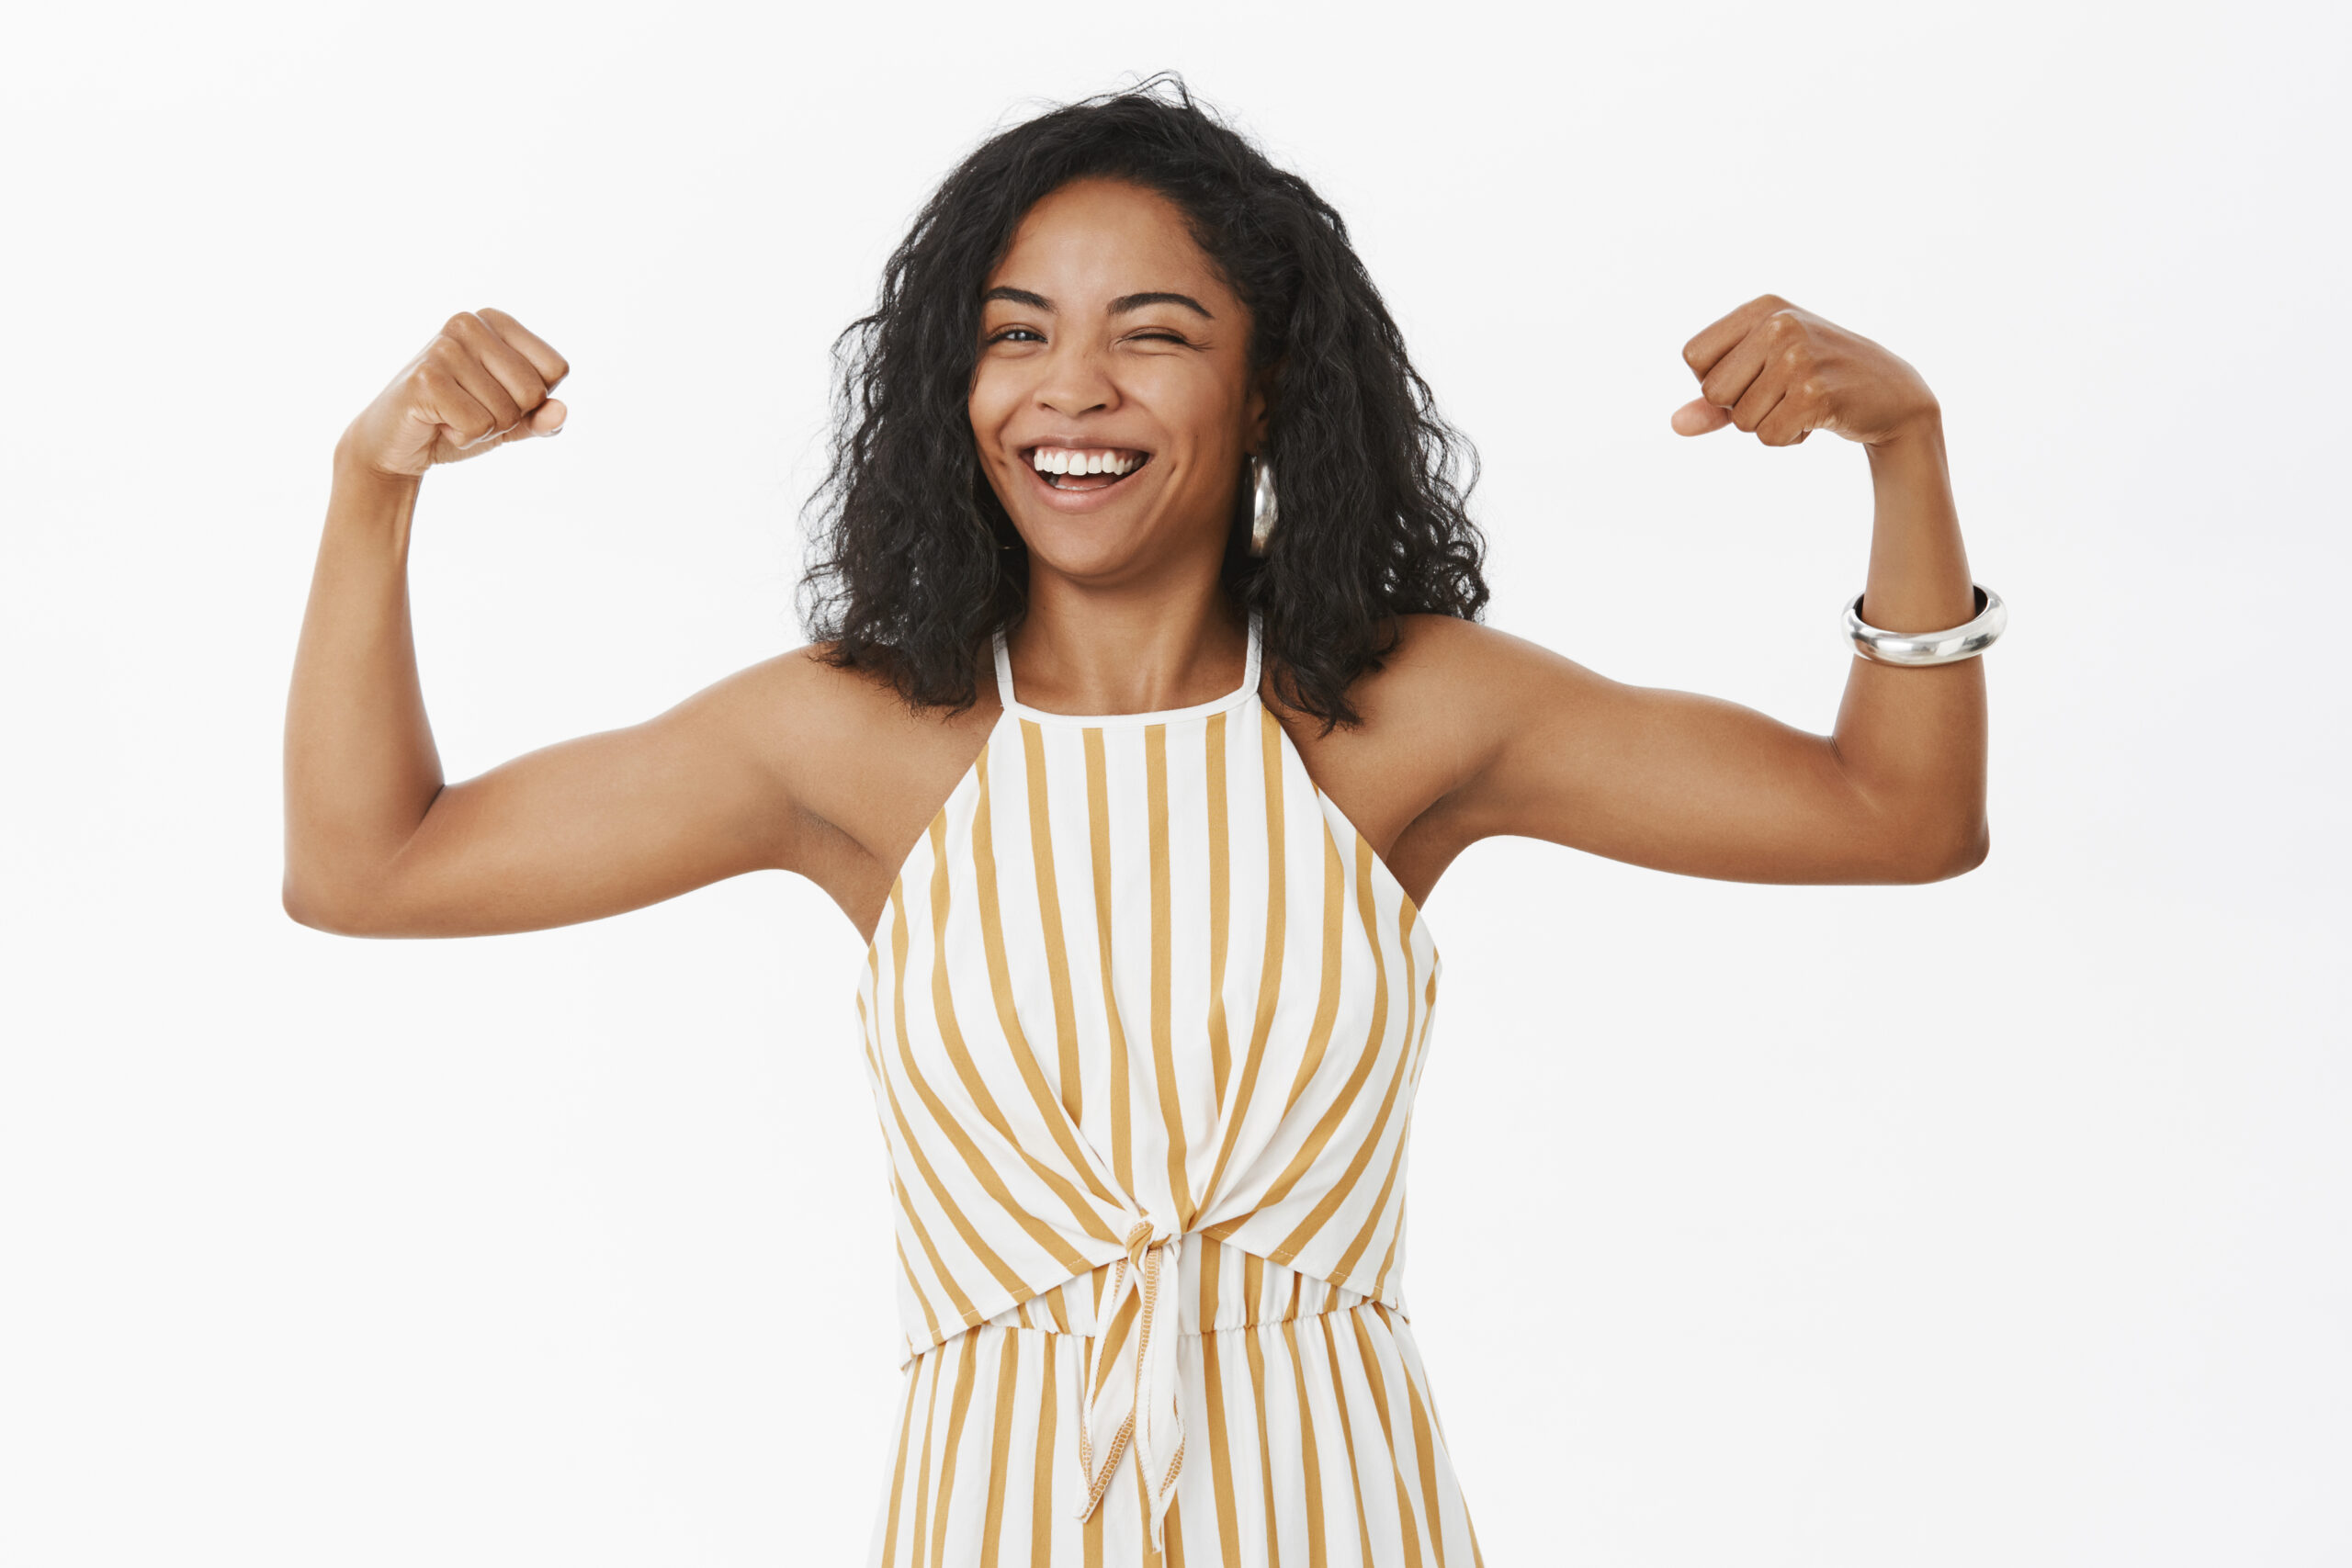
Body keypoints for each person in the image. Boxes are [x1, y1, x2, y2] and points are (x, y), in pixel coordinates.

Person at [283, 76, 1993, 1568]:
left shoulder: (1402, 716)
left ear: (1267, 392)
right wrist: (376, 485)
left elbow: (1897, 816)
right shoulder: (854, 739)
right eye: (1017, 333)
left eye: (1151, 334)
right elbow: (370, 867)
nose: (1070, 391)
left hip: (1345, 1513)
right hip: (989, 1520)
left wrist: (1901, 450)